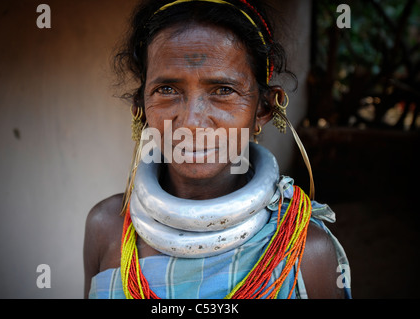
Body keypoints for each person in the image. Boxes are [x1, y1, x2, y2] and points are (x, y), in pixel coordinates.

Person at [83, 0, 351, 299]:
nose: (192, 122)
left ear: (264, 108)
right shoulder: (106, 228)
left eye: (223, 90)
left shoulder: (306, 251)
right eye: (167, 90)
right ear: (140, 108)